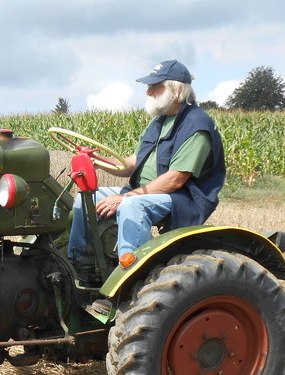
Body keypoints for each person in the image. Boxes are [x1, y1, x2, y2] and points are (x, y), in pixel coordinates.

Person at [67, 60, 226, 261]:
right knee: (86, 198)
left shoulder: (196, 125)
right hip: (145, 191)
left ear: (176, 90)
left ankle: (130, 272)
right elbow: (133, 163)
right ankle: (80, 261)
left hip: (182, 198)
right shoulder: (159, 122)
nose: (148, 92)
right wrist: (97, 160)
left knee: (131, 206)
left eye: (155, 87)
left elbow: (176, 179)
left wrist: (126, 197)